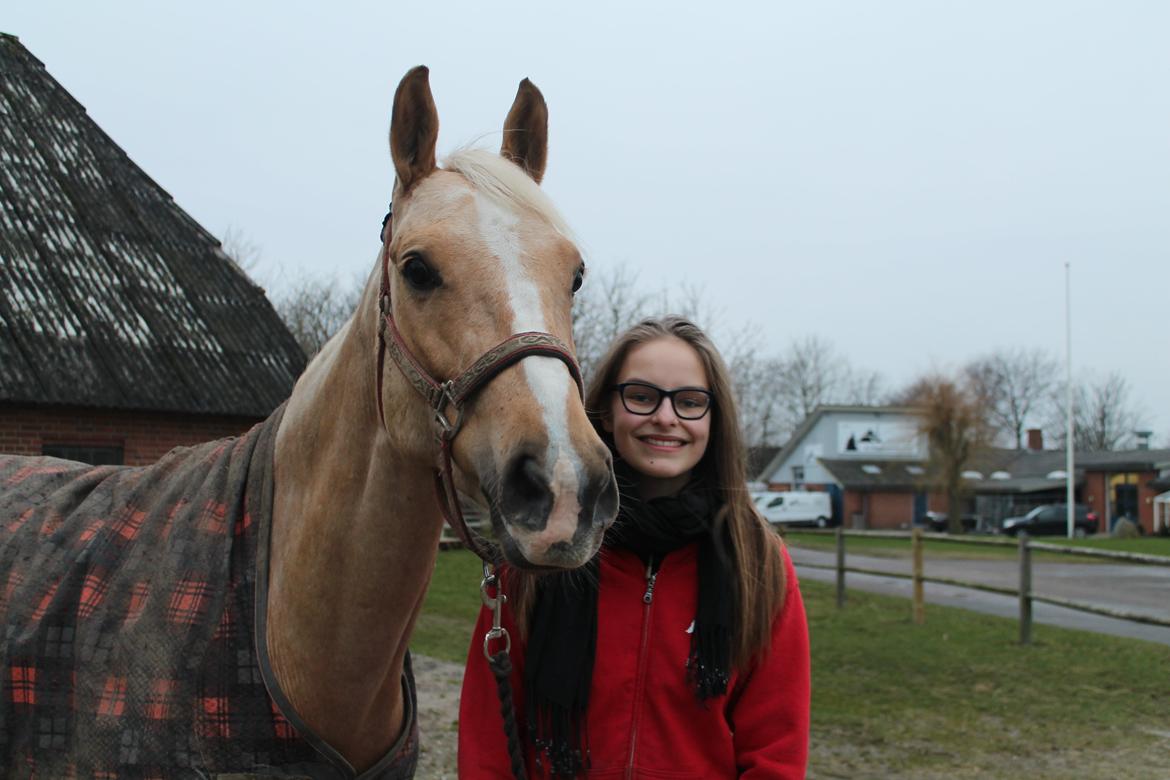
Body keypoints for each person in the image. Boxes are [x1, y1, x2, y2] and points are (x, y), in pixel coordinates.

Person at [458, 316, 810, 779]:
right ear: (605, 410)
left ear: (714, 419)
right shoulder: (542, 546)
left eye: (690, 402)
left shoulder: (758, 563)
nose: (665, 417)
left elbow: (775, 753)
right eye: (642, 397)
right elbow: (488, 742)